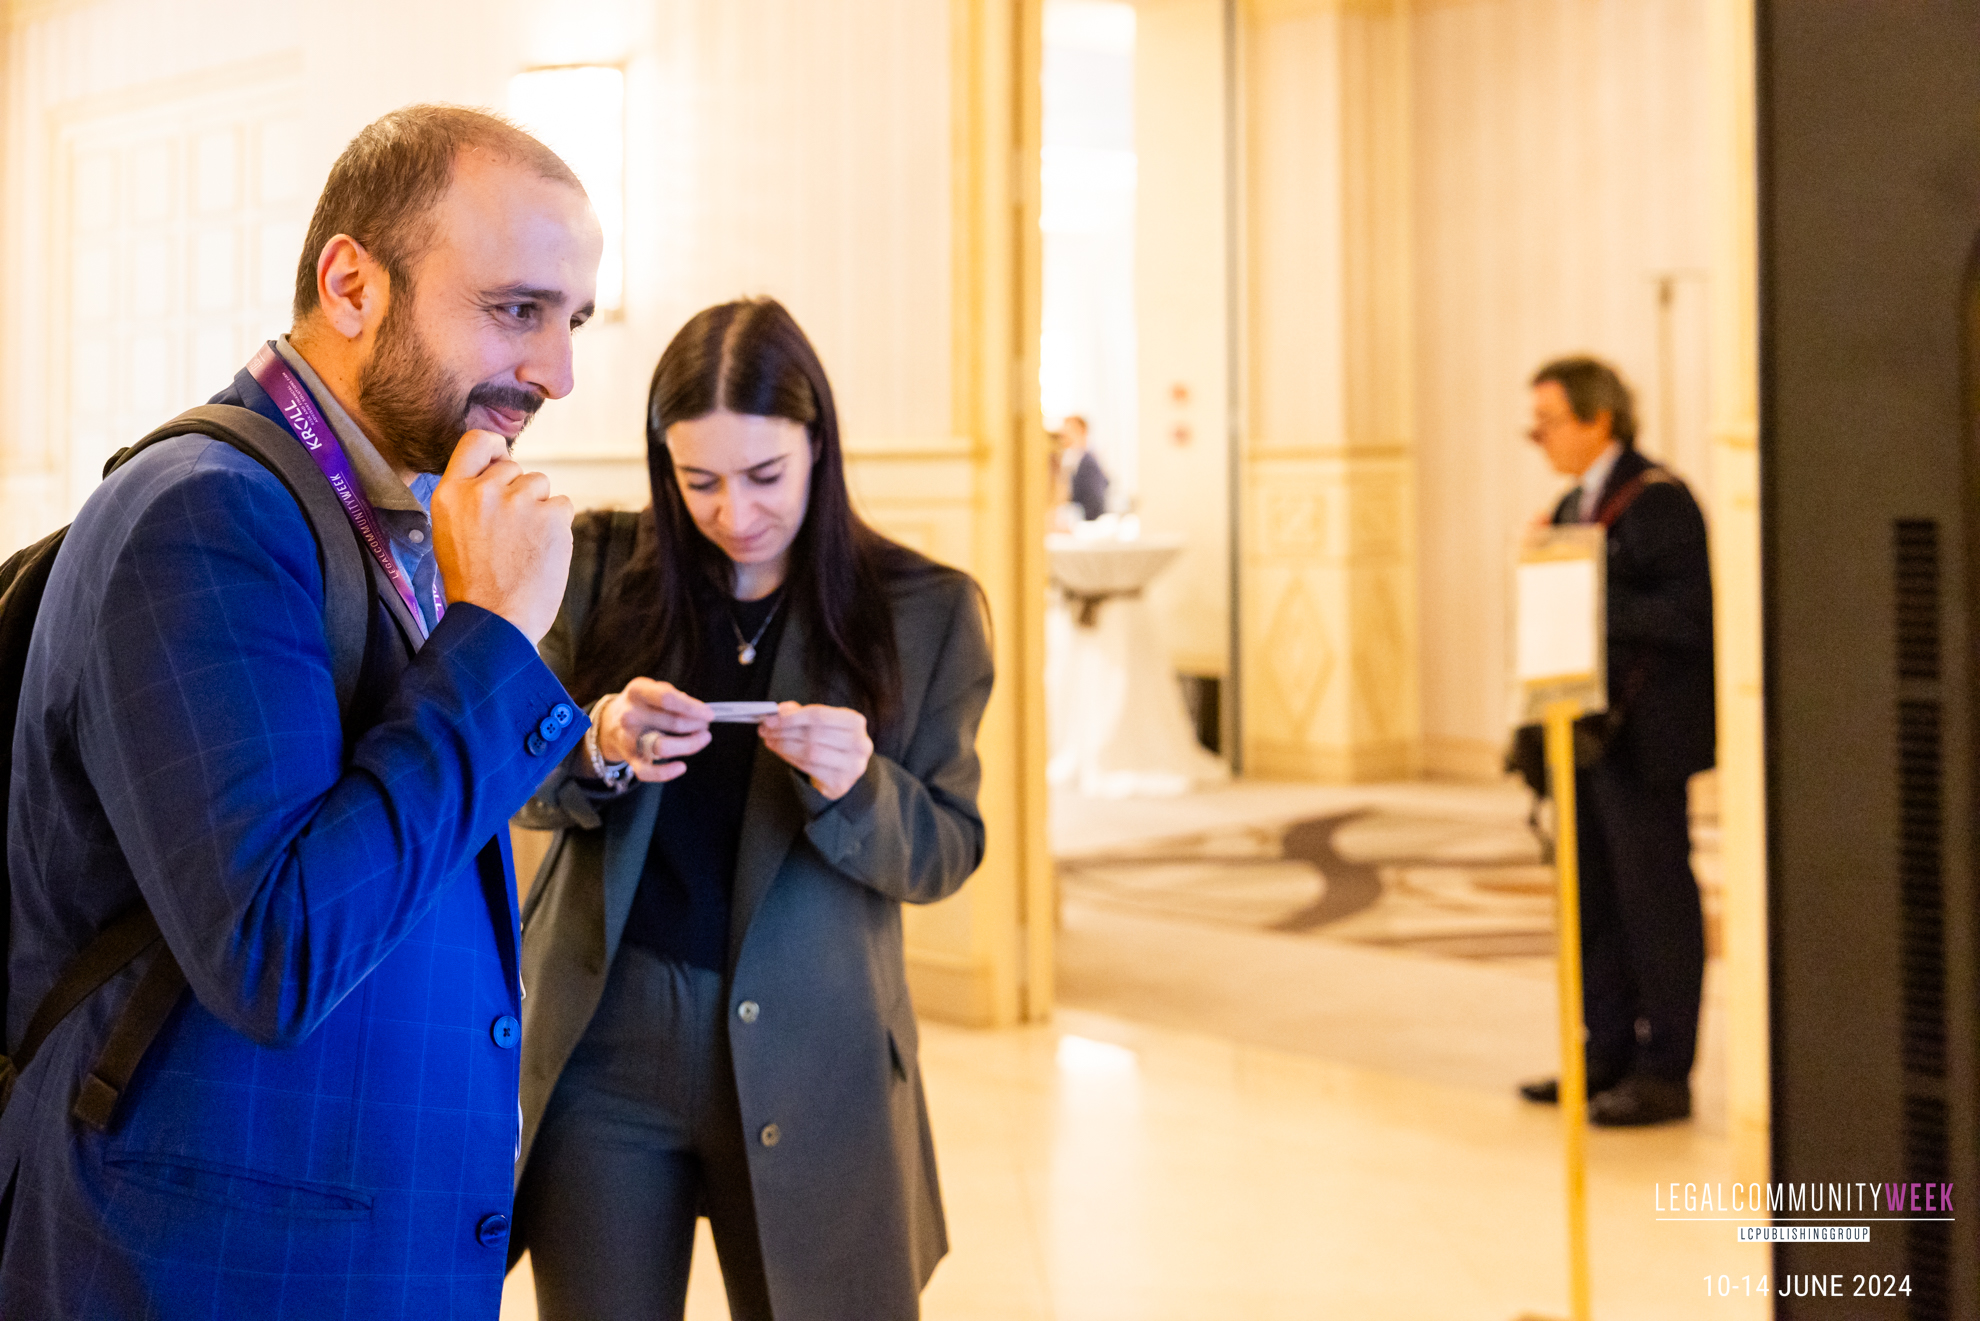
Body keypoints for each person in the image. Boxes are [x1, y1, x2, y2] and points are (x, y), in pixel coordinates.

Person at [0, 106, 600, 1317]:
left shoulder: (393, 513)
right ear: (352, 284)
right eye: (516, 309)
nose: (558, 372)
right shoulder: (204, 511)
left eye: (571, 320)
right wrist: (495, 638)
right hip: (204, 1260)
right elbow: (276, 951)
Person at [511, 297, 994, 1321]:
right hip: (606, 1040)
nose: (734, 512)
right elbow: (510, 779)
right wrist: (598, 742)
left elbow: (949, 848)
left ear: (819, 443)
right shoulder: (596, 568)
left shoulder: (924, 609)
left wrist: (861, 785)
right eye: (700, 482)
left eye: (765, 475)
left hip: (818, 1049)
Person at [1516, 356, 1715, 1127]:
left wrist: (1583, 585)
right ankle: (1602, 1053)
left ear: (1599, 418)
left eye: (1548, 421)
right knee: (1591, 902)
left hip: (1643, 743)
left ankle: (1663, 1070)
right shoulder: (1572, 504)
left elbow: (1689, 617)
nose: (1537, 437)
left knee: (1653, 905)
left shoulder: (1660, 500)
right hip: (1582, 738)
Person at [1059, 414, 1110, 520]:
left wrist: (1074, 517)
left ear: (1082, 432)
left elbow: (1095, 502)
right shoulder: (1072, 460)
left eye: (1070, 431)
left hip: (1088, 523)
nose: (1065, 437)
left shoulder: (1088, 463)